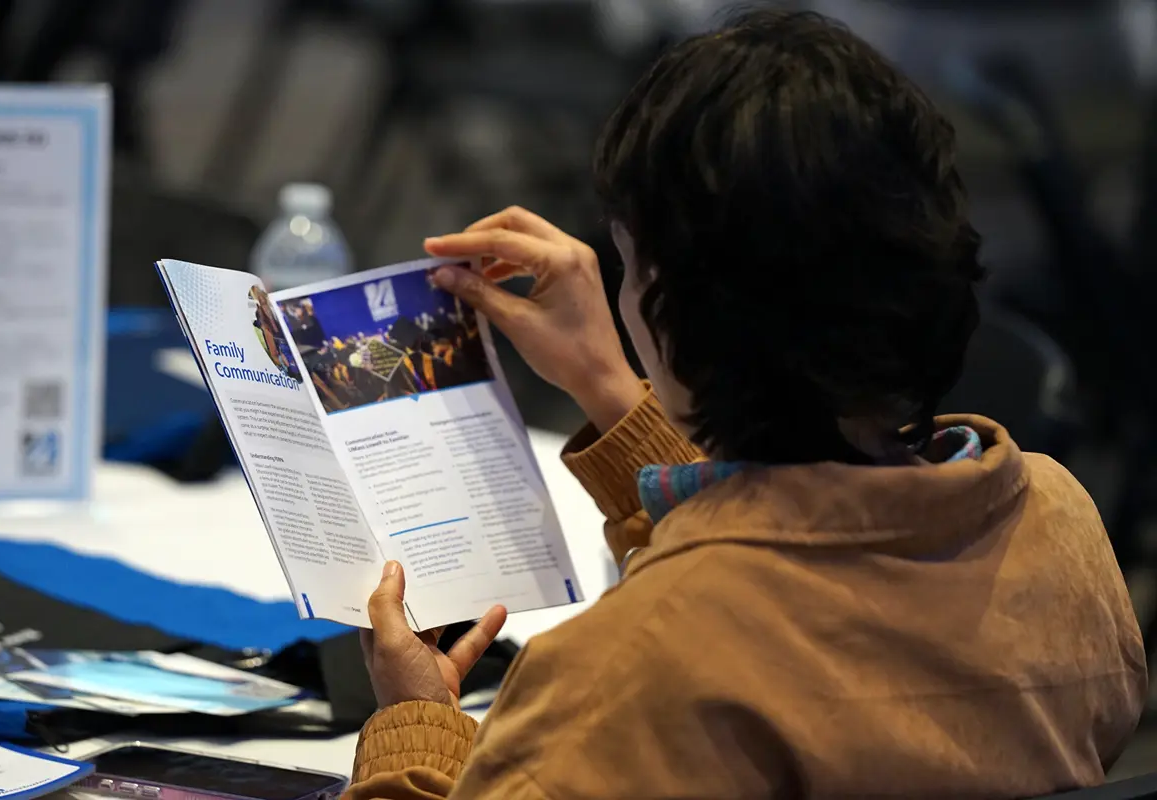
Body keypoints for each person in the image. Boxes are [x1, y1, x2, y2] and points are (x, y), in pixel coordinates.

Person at [344, 11, 1146, 800]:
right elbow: (802, 559)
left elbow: (725, 620)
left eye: (630, 268)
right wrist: (616, 391)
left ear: (670, 306)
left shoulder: (625, 671)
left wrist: (416, 722)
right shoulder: (1061, 529)